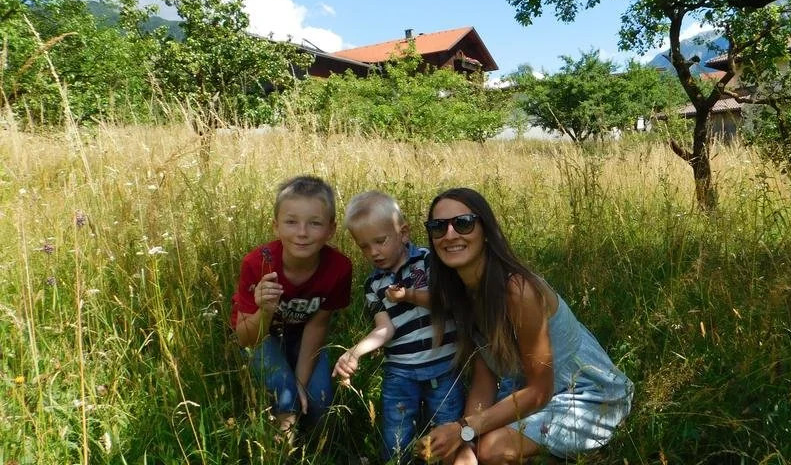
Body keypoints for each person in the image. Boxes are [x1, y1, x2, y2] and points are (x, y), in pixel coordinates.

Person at [418, 188, 633, 465]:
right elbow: (485, 377)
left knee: (491, 450)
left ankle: (582, 454)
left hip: (584, 394)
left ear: (486, 231)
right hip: (526, 391)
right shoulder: (462, 293)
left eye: (463, 223)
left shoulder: (518, 291)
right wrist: (467, 439)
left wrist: (464, 429)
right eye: (438, 227)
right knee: (458, 454)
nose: (449, 235)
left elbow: (540, 391)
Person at [333, 190, 466, 464]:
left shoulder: (429, 261)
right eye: (364, 246)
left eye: (380, 241)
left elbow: (449, 302)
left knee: (448, 432)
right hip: (401, 372)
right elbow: (385, 329)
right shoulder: (374, 284)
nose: (373, 252)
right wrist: (355, 352)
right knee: (396, 437)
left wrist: (409, 296)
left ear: (403, 233)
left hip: (443, 367)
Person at [229, 175, 353, 438]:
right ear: (276, 226)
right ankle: (283, 448)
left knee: (319, 399)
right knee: (284, 395)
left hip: (303, 335)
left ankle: (319, 449)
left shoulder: (339, 268)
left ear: (331, 230)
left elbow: (318, 324)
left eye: (315, 223)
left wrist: (300, 383)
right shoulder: (257, 264)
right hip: (262, 335)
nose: (302, 233)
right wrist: (265, 310)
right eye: (291, 222)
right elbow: (245, 338)